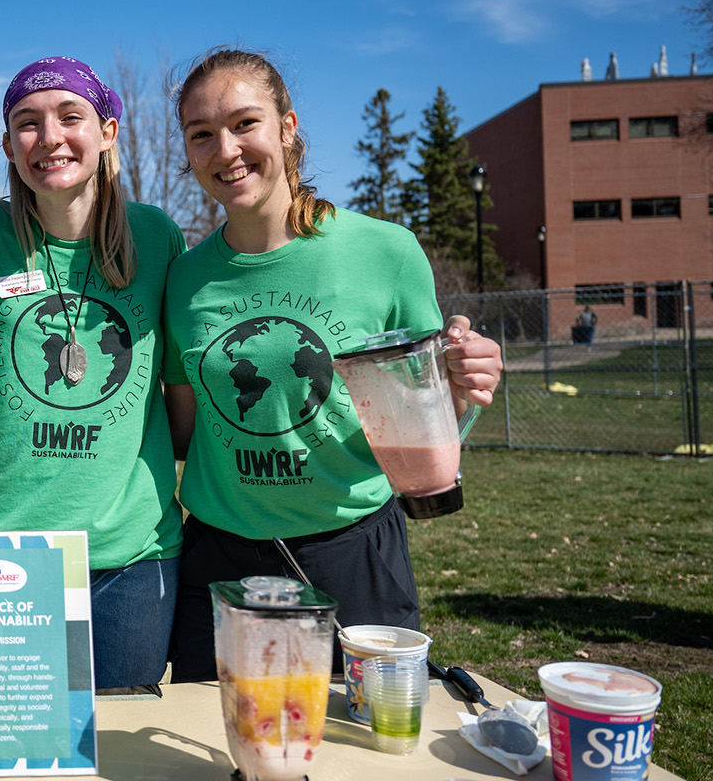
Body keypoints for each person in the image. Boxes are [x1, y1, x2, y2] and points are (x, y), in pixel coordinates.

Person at [160, 49, 503, 681]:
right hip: (218, 559)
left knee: (365, 752)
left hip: (354, 555)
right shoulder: (183, 280)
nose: (226, 149)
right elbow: (184, 431)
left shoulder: (387, 253)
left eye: (245, 124)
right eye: (201, 134)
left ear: (288, 128)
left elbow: (427, 418)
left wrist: (463, 381)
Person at [0, 57, 182, 690]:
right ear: (7, 146)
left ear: (107, 131)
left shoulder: (157, 238)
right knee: (5, 748)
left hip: (129, 556)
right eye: (27, 123)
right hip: (2, 550)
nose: (49, 138)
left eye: (69, 116)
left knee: (120, 750)